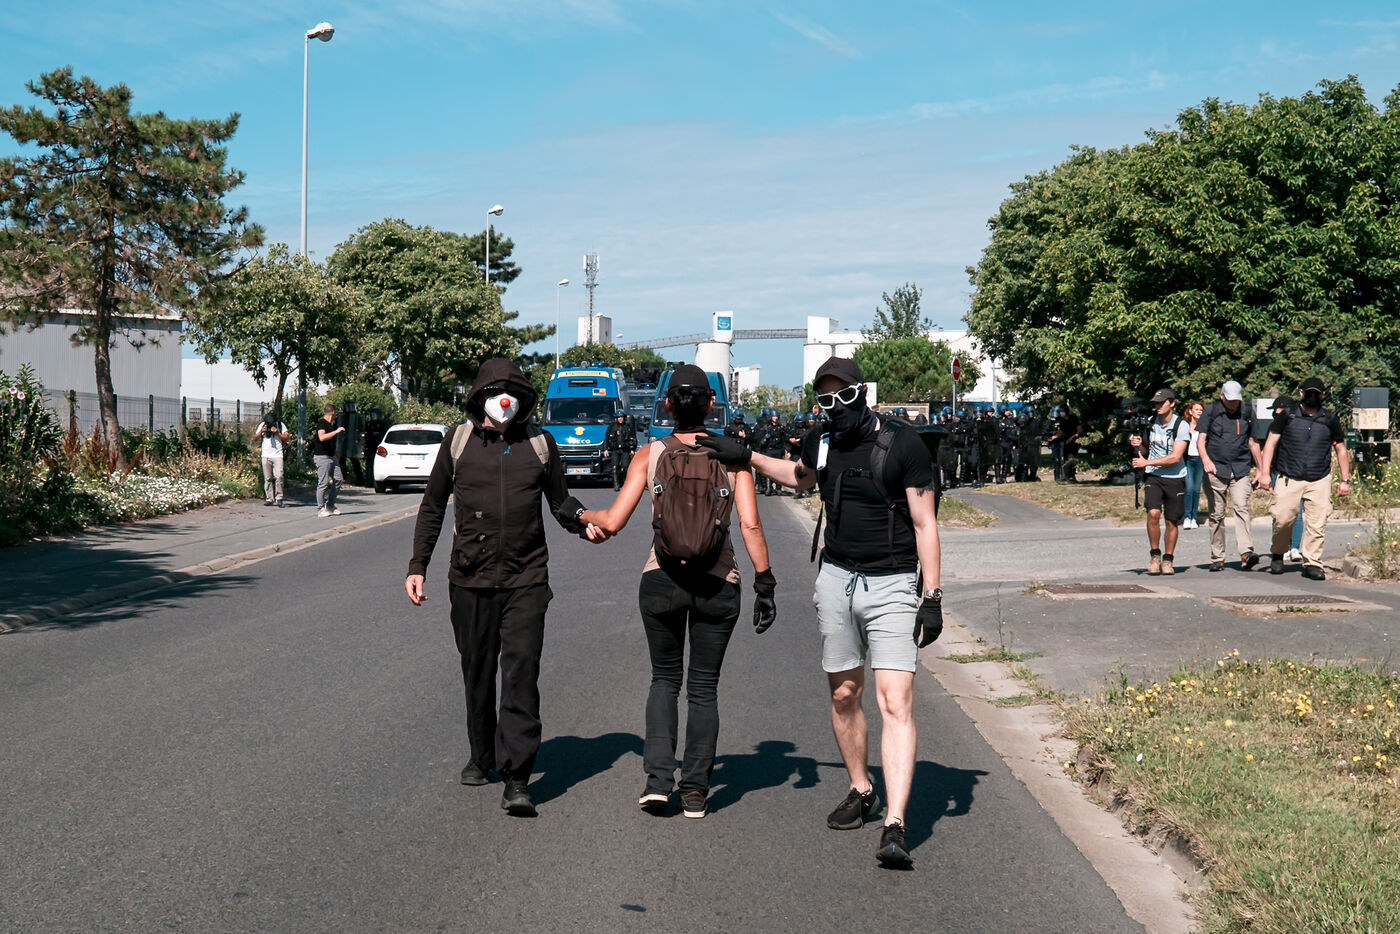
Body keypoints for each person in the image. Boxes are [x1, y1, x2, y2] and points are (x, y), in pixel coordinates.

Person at [697, 356, 943, 869]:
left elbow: (925, 523)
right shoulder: (822, 439)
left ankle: (895, 823)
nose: (835, 406)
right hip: (836, 580)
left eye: (843, 395)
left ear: (861, 392)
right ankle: (861, 788)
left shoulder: (902, 444)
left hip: (893, 584)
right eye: (825, 399)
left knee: (895, 700)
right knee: (844, 693)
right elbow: (801, 477)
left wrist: (933, 596)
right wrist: (747, 456)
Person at [579, 364, 777, 821]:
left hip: (662, 580)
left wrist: (578, 514)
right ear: (712, 404)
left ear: (666, 404)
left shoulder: (649, 454)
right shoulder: (732, 458)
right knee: (703, 689)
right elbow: (750, 525)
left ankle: (657, 782)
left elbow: (612, 521)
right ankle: (695, 793)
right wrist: (765, 582)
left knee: (664, 680)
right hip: (718, 581)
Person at [405, 358, 599, 817]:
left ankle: (517, 778)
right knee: (477, 671)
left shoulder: (540, 444)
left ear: (525, 398)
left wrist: (584, 523)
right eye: (495, 391)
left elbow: (560, 501)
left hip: (526, 578)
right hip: (469, 579)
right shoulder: (457, 443)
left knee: (520, 675)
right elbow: (432, 506)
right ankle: (481, 755)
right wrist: (418, 565)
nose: (505, 399)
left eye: (513, 391)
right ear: (480, 397)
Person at [1257, 377, 1351, 580]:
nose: (1313, 396)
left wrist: (1345, 480)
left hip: (1319, 478)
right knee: (1283, 518)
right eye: (1309, 392)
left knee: (1317, 522)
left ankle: (1312, 562)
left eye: (1317, 393)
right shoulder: (1287, 415)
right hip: (1289, 477)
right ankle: (1278, 553)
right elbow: (1270, 443)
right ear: (1301, 393)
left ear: (1323, 395)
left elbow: (1341, 449)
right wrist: (1264, 473)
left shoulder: (1330, 418)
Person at [1197, 381, 1262, 572]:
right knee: (1217, 513)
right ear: (1222, 396)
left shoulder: (1247, 412)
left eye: (1236, 400)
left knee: (1241, 507)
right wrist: (1206, 461)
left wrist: (1261, 470)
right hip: (1215, 469)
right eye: (1230, 400)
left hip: (1240, 468)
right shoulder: (1211, 411)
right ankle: (1218, 557)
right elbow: (1200, 440)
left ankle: (1246, 553)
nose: (1233, 404)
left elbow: (1253, 442)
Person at [1128, 388, 1191, 575]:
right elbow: (1146, 449)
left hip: (1175, 477)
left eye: (1161, 402)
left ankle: (1168, 560)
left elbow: (1176, 457)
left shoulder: (1181, 425)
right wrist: (1138, 444)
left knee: (1172, 520)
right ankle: (1155, 556)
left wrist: (1146, 462)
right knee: (1153, 513)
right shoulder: (1150, 422)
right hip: (1154, 476)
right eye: (1155, 403)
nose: (1157, 406)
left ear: (1171, 403)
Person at [314, 403, 346, 517]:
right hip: (322, 457)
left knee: (338, 479)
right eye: (336, 413)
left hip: (332, 456)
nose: (336, 415)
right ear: (332, 412)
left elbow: (330, 442)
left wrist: (336, 453)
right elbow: (322, 437)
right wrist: (336, 431)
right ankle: (320, 508)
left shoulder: (330, 425)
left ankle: (330, 505)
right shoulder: (322, 423)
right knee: (323, 483)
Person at [253, 411, 290, 507]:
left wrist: (277, 433)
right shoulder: (262, 425)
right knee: (268, 478)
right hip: (266, 455)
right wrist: (261, 431)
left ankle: (279, 498)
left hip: (278, 455)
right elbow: (255, 438)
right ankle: (269, 498)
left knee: (279, 476)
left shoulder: (280, 425)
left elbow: (287, 438)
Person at [1181, 401, 1205, 529]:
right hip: (1188, 460)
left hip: (1200, 460)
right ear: (1190, 411)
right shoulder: (1184, 426)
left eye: (1201, 410)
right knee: (1189, 488)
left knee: (1196, 490)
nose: (1199, 412)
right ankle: (1187, 516)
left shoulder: (1204, 426)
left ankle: (1194, 517)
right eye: (1196, 409)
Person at [604, 410, 636, 491]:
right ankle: (616, 485)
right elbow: (607, 438)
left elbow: (633, 438)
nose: (620, 419)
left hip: (625, 450)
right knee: (615, 467)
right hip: (615, 450)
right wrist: (605, 449)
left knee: (625, 467)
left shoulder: (628, 427)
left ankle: (625, 484)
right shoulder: (612, 426)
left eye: (621, 417)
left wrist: (632, 449)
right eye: (618, 417)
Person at [337, 400, 365, 485]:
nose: (350, 409)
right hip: (343, 442)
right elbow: (337, 428)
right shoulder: (342, 417)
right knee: (342, 460)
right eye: (348, 407)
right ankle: (343, 478)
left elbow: (361, 429)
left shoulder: (358, 418)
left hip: (353, 443)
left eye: (352, 407)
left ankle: (360, 479)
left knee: (355, 460)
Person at [1049, 404, 1080, 481]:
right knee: (1065, 459)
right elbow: (1061, 432)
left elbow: (1079, 429)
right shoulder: (1062, 420)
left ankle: (1072, 475)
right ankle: (1067, 475)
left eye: (1062, 411)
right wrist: (1054, 436)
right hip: (1066, 442)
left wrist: (1073, 437)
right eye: (1060, 411)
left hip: (1074, 441)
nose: (1061, 413)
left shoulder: (1073, 418)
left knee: (1072, 458)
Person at [364, 407, 389, 485]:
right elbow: (366, 435)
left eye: (374, 414)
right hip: (370, 447)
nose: (373, 416)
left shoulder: (382, 424)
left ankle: (380, 481)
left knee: (379, 464)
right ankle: (369, 481)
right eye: (372, 414)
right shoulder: (368, 424)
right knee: (369, 464)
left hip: (380, 448)